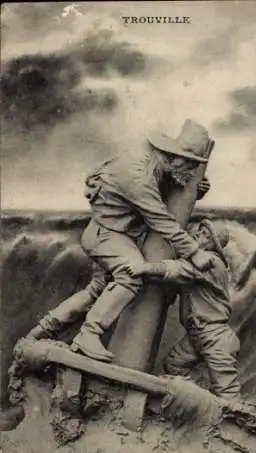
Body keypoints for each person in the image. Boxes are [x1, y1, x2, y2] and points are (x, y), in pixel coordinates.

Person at [27, 120, 214, 363]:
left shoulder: (153, 165)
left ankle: (41, 331)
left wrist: (195, 190)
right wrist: (194, 252)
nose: (189, 170)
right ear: (174, 157)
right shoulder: (138, 175)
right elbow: (160, 219)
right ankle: (88, 335)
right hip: (107, 237)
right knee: (130, 276)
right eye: (189, 164)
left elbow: (166, 186)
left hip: (114, 235)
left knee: (96, 291)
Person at [126, 218, 241, 400]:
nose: (197, 233)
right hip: (197, 334)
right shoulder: (197, 264)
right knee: (174, 366)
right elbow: (178, 280)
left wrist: (146, 267)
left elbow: (179, 269)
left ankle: (240, 425)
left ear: (213, 244)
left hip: (215, 335)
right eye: (199, 230)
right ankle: (204, 405)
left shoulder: (210, 262)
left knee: (228, 392)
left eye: (205, 234)